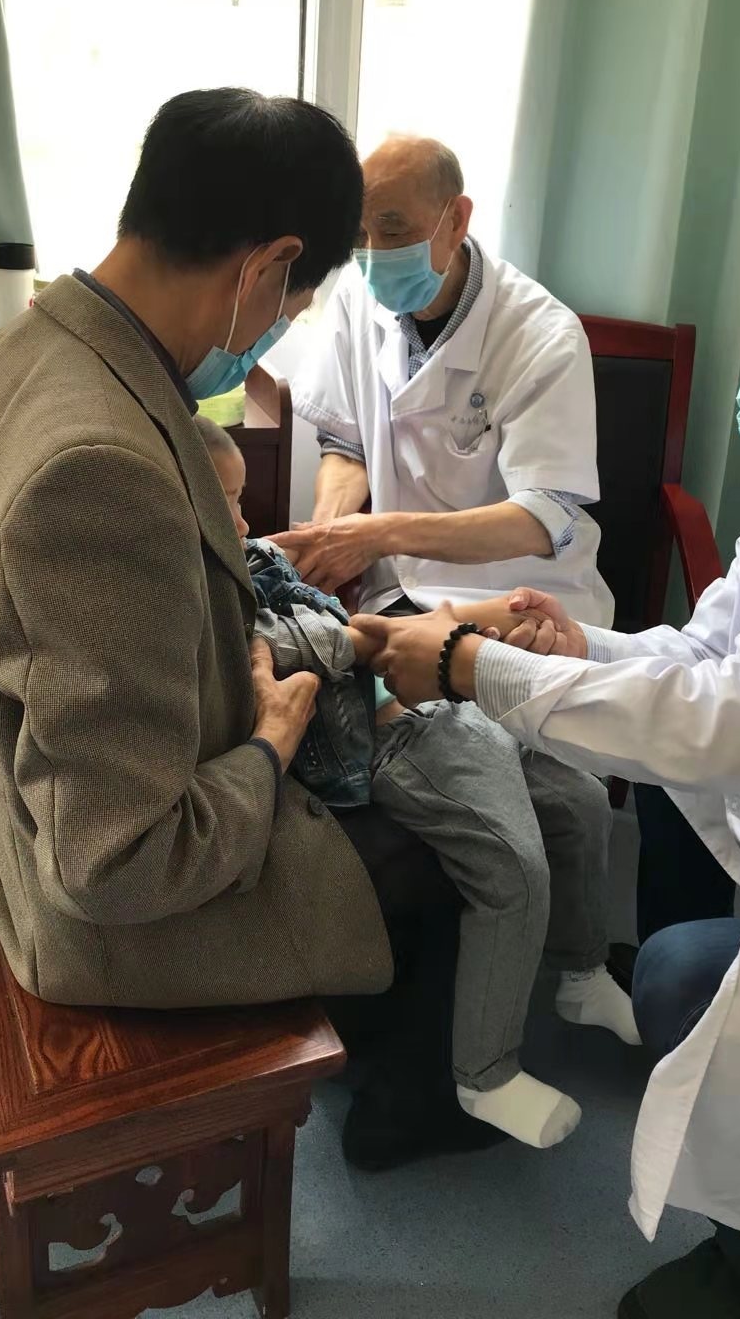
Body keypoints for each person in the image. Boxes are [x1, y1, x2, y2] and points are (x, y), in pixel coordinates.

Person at [352, 224, 740, 1317]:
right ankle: (698, 1048)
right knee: (655, 796)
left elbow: (731, 722)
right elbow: (708, 654)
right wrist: (571, 646)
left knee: (680, 972)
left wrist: (474, 666)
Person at [0, 88, 490, 1171]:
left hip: (22, 800)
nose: (277, 329)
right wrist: (271, 742)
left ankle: (370, 1046)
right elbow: (123, 864)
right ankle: (410, 1106)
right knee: (452, 837)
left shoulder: (17, 355)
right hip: (102, 910)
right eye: (294, 303)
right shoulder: (98, 468)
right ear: (268, 265)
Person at [196, 413, 638, 1149]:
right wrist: (449, 631)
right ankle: (485, 1075)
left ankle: (583, 972)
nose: (244, 523)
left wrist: (457, 631)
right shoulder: (204, 606)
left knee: (582, 799)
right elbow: (318, 645)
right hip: (388, 741)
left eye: (243, 502)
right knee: (513, 864)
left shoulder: (248, 558)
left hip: (432, 704)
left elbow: (309, 592)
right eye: (227, 505)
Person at [273, 133, 614, 626]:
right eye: (359, 236)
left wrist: (379, 535)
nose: (373, 253)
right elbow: (347, 449)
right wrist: (327, 536)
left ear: (455, 220)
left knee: (423, 672)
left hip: (519, 600)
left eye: (393, 231)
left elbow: (543, 519)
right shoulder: (355, 294)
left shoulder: (544, 335)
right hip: (396, 596)